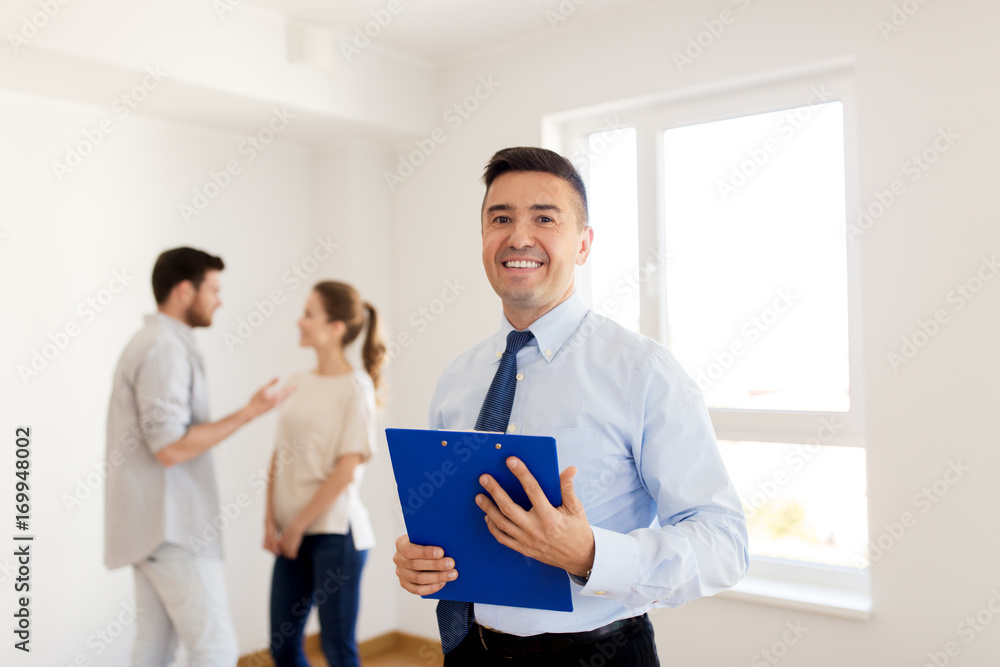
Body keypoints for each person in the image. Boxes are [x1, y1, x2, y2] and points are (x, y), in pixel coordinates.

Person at [393, 147, 749, 666]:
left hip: (596, 653)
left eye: (544, 218)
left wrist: (590, 555)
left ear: (583, 244)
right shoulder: (457, 379)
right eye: (501, 219)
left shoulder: (641, 371)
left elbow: (723, 542)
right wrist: (420, 561)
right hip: (473, 650)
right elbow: (452, 523)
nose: (518, 237)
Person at [105, 246, 293, 667]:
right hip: (171, 530)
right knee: (215, 650)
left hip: (153, 531)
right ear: (184, 291)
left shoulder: (158, 343)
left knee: (154, 649)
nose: (220, 299)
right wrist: (251, 411)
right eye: (214, 289)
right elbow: (169, 447)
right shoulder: (163, 348)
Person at [264, 281, 386, 667]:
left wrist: (298, 524)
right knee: (282, 647)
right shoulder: (298, 382)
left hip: (336, 536)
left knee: (337, 649)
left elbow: (346, 471)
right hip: (292, 533)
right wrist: (271, 520)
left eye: (309, 314)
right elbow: (278, 456)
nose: (299, 322)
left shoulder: (356, 387)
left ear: (335, 327)